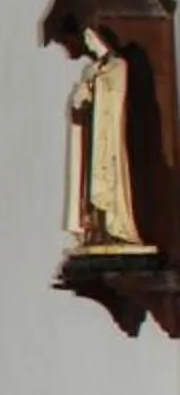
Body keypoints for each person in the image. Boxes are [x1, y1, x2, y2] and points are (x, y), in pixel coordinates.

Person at [67, 26, 151, 251]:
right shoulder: (91, 70)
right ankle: (95, 229)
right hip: (93, 136)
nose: (88, 43)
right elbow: (81, 108)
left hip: (109, 134)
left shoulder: (118, 67)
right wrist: (79, 101)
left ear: (103, 38)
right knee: (90, 182)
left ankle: (115, 229)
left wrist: (95, 88)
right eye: (86, 38)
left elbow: (116, 97)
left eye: (91, 38)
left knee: (110, 182)